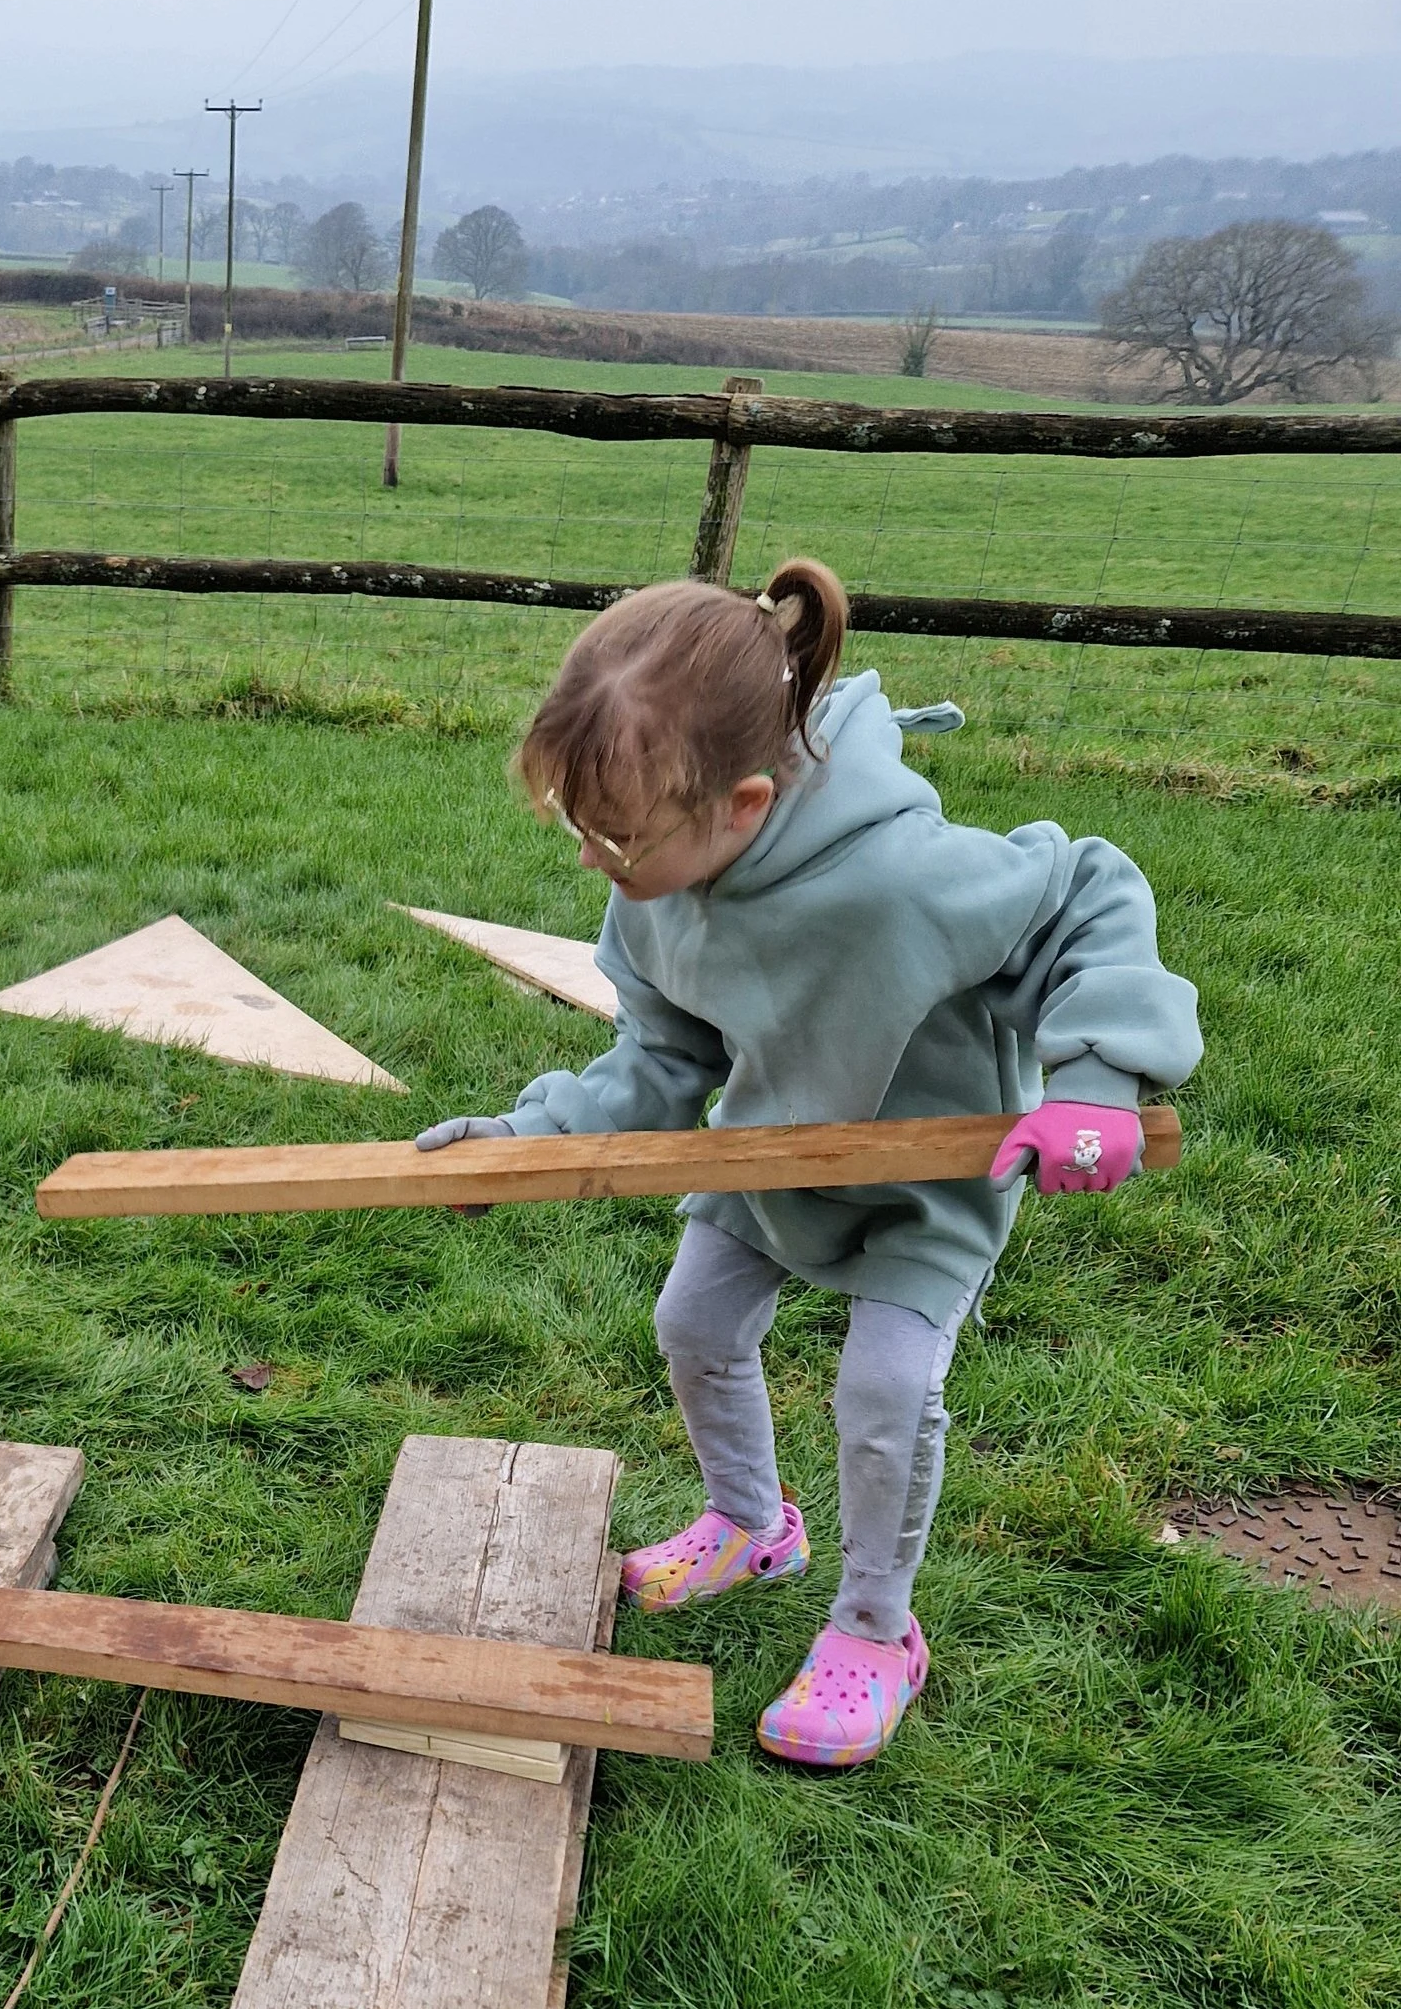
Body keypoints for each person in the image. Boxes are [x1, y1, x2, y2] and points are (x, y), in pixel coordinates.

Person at [420, 558, 1200, 1770]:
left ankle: (875, 1633)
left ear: (741, 804)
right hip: (773, 1154)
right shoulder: (651, 894)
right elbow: (662, 1056)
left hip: (923, 1185)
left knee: (883, 1396)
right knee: (693, 1322)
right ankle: (750, 1524)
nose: (593, 863)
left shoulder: (903, 878)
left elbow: (1085, 894)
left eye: (616, 834)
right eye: (580, 829)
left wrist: (1098, 1073)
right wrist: (536, 1136)